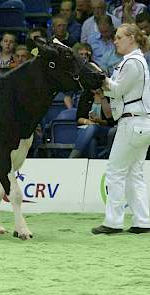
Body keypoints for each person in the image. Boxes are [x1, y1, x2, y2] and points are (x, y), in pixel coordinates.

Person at [92, 23, 150, 234]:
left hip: (132, 122)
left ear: (132, 38)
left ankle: (113, 222)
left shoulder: (132, 62)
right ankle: (142, 221)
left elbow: (117, 90)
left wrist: (100, 77)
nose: (115, 41)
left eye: (119, 37)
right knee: (134, 173)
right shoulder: (136, 61)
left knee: (115, 171)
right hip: (141, 122)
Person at [69, 88, 114, 158]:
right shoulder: (85, 96)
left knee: (92, 128)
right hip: (89, 128)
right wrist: (89, 122)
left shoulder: (109, 96)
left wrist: (99, 121)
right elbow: (79, 118)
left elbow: (110, 120)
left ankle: (73, 157)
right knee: (92, 139)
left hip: (105, 129)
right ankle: (93, 163)